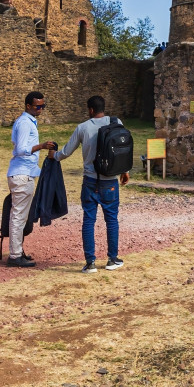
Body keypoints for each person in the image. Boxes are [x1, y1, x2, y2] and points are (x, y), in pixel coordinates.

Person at [58, 94, 127, 273]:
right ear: (103, 108)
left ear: (90, 110)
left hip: (90, 180)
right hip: (110, 181)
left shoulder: (83, 128)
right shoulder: (116, 122)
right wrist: (125, 171)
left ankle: (90, 262)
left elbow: (66, 151)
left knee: (89, 220)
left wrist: (54, 156)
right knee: (111, 220)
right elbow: (121, 150)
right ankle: (112, 259)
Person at [6, 91, 57, 268]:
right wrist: (41, 146)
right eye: (38, 106)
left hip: (23, 173)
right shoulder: (25, 123)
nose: (41, 109)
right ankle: (14, 255)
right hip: (21, 174)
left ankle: (17, 251)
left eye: (43, 106)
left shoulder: (27, 122)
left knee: (21, 215)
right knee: (19, 216)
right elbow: (20, 149)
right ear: (28, 106)